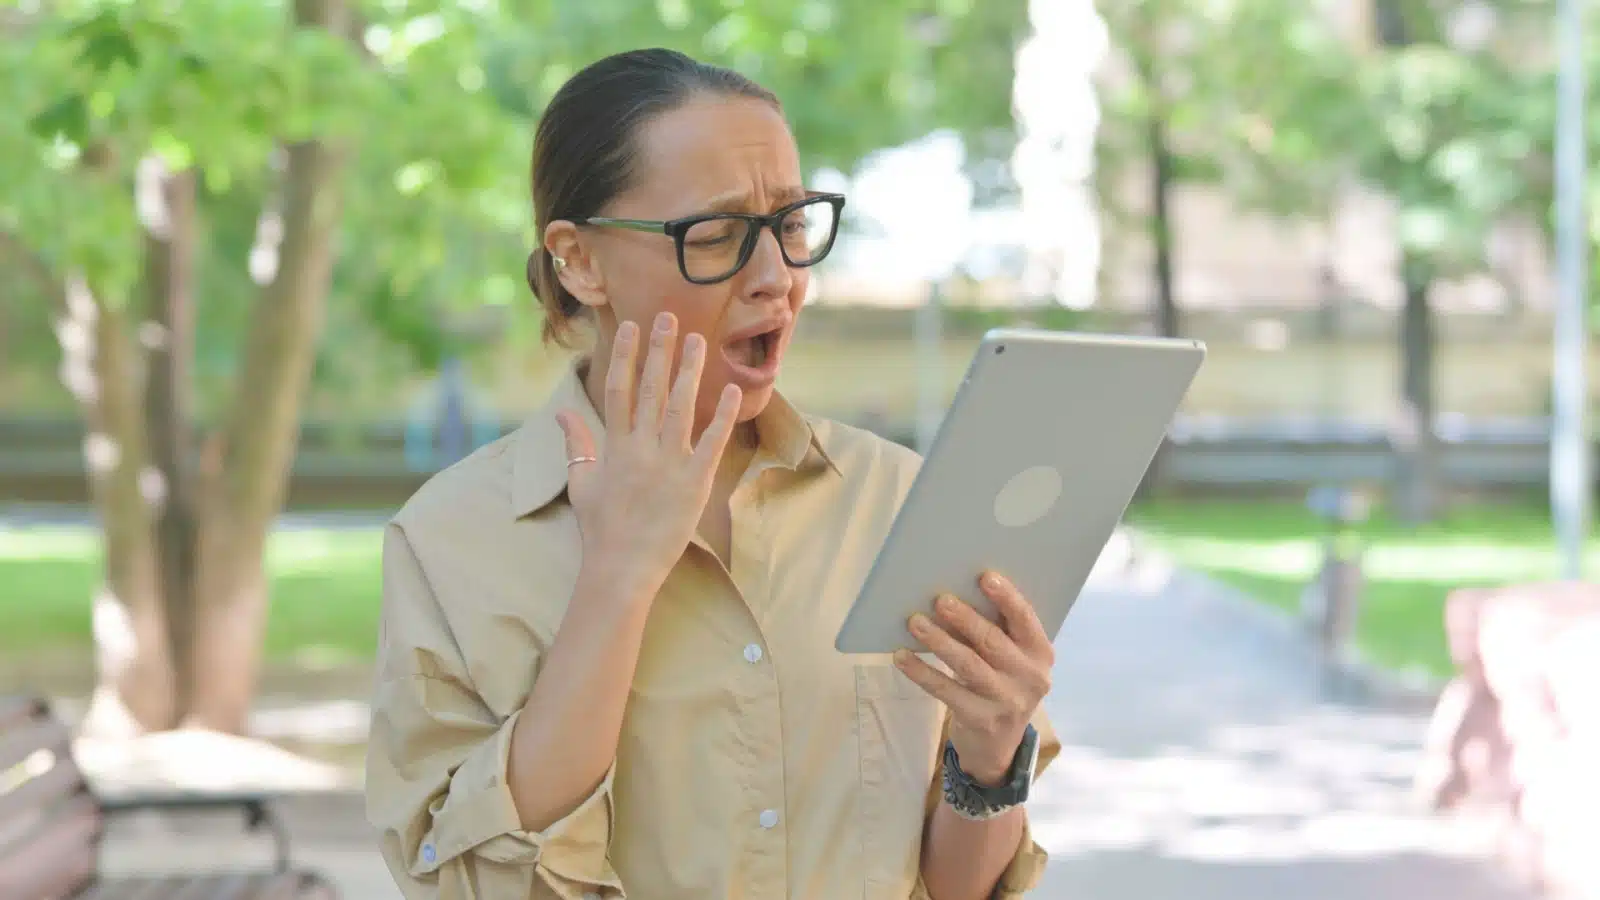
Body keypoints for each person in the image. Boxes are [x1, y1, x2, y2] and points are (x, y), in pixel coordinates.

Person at [365, 47, 1061, 900]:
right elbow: (467, 884)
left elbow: (959, 889)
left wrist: (988, 761)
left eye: (792, 225)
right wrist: (618, 575)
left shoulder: (900, 500)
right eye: (720, 236)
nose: (779, 280)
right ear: (580, 262)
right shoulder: (449, 543)